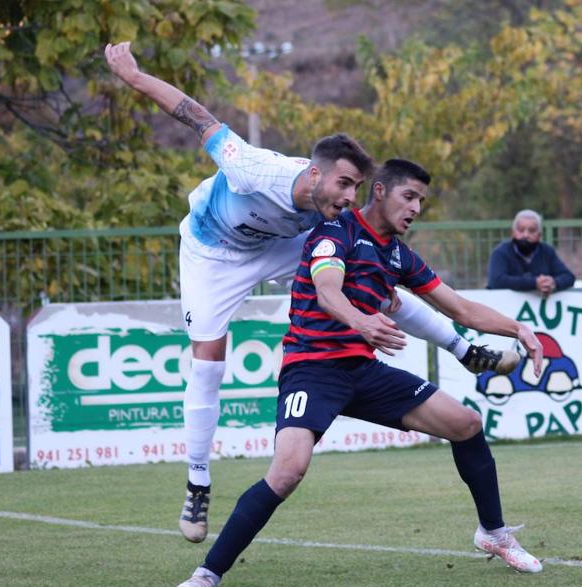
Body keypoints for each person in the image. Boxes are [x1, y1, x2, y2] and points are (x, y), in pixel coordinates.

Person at [104, 41, 519, 544]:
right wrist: (134, 76)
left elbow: (361, 261)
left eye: (357, 188)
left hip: (279, 245)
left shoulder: (331, 214)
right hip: (212, 251)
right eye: (345, 186)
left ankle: (464, 349)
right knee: (210, 360)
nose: (350, 199)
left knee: (375, 285)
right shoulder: (252, 168)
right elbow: (195, 114)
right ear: (314, 174)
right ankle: (197, 480)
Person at [173, 159, 546, 587]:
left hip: (363, 371)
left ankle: (494, 533)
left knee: (466, 424)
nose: (416, 208)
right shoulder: (336, 232)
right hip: (311, 368)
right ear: (381, 191)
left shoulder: (399, 255)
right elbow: (328, 291)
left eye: (422, 201)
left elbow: (460, 309)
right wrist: (362, 323)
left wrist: (519, 329)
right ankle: (208, 573)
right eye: (409, 197)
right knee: (288, 471)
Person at [487, 209, 576, 296]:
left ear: (539, 235)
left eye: (532, 231)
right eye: (521, 230)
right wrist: (535, 283)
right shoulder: (501, 252)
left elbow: (568, 277)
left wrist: (553, 283)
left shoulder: (547, 251)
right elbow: (496, 281)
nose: (526, 235)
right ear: (513, 232)